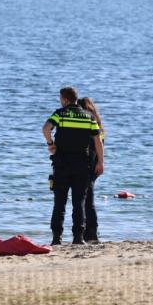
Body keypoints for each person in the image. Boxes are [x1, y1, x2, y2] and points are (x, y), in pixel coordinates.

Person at [43, 87, 104, 245]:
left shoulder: (60, 113)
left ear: (64, 99)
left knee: (60, 202)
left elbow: (46, 128)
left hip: (61, 163)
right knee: (79, 202)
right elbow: (98, 141)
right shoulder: (89, 116)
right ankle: (78, 237)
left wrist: (50, 143)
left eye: (60, 99)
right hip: (82, 164)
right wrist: (100, 162)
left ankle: (57, 238)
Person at [78, 96, 105, 243]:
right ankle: (90, 232)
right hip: (95, 163)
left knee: (87, 199)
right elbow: (101, 144)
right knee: (88, 197)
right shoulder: (98, 123)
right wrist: (100, 162)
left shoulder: (87, 122)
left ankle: (91, 233)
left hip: (88, 163)